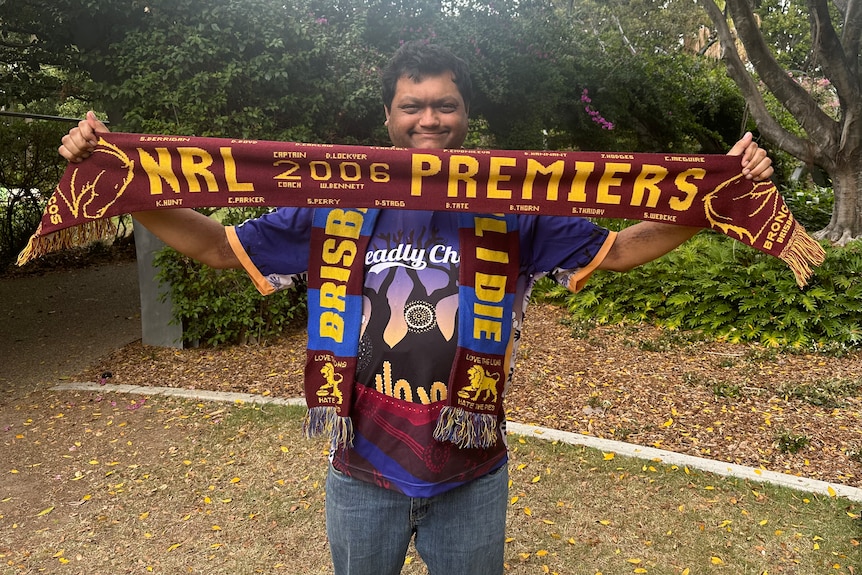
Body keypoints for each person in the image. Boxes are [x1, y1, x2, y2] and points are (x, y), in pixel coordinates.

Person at [60, 42, 773, 575]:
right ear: (389, 116)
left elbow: (616, 250)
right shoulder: (334, 196)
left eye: (444, 104)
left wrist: (717, 200)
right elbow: (218, 246)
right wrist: (121, 186)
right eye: (413, 105)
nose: (428, 118)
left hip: (470, 474)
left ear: (465, 115)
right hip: (360, 471)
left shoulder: (511, 201)